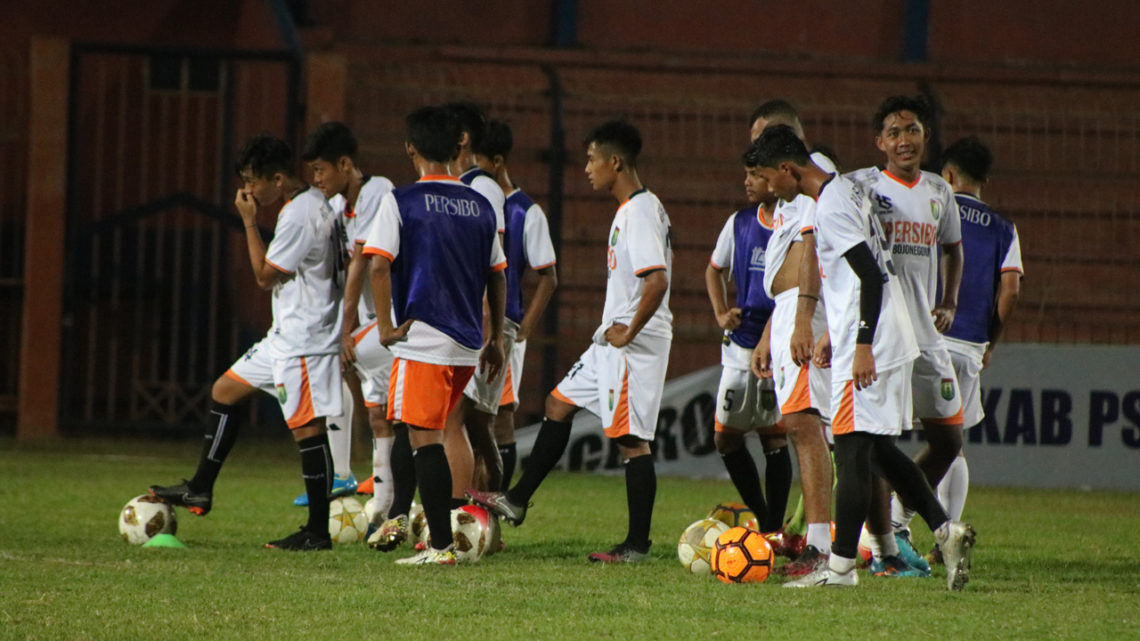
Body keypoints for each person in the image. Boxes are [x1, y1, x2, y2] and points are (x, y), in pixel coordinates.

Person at [752, 125, 976, 590]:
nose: (775, 191)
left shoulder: (830, 208)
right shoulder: (845, 191)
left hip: (872, 337)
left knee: (853, 452)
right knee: (877, 451)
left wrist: (859, 342)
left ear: (788, 170)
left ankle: (838, 569)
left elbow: (870, 277)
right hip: (882, 332)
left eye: (774, 181)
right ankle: (944, 529)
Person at [468, 120, 672, 563]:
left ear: (613, 162)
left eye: (591, 159)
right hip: (612, 339)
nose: (586, 168)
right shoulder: (636, 208)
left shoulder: (638, 213)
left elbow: (657, 281)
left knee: (631, 441)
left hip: (631, 343)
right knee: (558, 404)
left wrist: (630, 331)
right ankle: (517, 499)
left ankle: (636, 546)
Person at [150, 133, 346, 551]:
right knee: (224, 391)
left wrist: (248, 221)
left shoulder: (299, 214)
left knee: (308, 431)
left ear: (278, 178)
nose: (248, 190)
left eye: (254, 181)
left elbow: (263, 276)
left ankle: (317, 531)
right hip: (284, 336)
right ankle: (200, 487)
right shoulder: (308, 205)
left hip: (305, 340)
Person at [361, 105, 507, 565]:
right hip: (467, 343)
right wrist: (496, 338)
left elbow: (378, 263)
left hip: (425, 337)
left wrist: (384, 325)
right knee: (430, 432)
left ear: (410, 148)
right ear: (457, 147)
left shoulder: (401, 200)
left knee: (423, 438)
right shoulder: (480, 204)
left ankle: (440, 546)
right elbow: (498, 274)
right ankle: (413, 523)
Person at [847, 95, 965, 576]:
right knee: (877, 443)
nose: (903, 140)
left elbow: (954, 250)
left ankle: (898, 520)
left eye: (911, 130)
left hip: (927, 335)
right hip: (883, 337)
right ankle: (882, 550)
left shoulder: (940, 191)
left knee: (949, 439)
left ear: (925, 137)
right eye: (893, 133)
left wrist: (950, 301)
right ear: (879, 142)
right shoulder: (861, 189)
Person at [925, 135, 1022, 563]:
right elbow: (1011, 288)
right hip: (967, 345)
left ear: (948, 175)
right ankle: (947, 533)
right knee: (952, 443)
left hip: (924, 338)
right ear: (985, 179)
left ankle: (885, 534)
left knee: (881, 435)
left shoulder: (933, 212)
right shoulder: (1004, 228)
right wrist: (989, 341)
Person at [748, 99, 835, 573]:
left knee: (807, 425)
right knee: (801, 425)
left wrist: (802, 319)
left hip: (805, 314)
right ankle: (817, 538)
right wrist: (769, 331)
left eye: (764, 139)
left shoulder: (812, 178)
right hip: (785, 315)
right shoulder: (783, 196)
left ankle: (823, 546)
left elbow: (812, 248)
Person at [301, 121, 398, 527]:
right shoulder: (342, 207)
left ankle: (356, 481)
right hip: (370, 322)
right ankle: (382, 502)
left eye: (322, 170)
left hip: (393, 320)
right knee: (380, 414)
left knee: (408, 413)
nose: (317, 180)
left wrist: (344, 330)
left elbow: (363, 260)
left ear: (345, 164)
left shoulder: (378, 192)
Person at [705, 141, 791, 540]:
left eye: (755, 175)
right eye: (746, 175)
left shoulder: (794, 224)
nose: (748, 182)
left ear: (774, 178)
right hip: (739, 345)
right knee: (725, 437)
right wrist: (722, 311)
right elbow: (713, 269)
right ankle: (760, 517)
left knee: (775, 435)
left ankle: (772, 529)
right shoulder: (739, 222)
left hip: (778, 346)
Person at [475, 119, 559, 492]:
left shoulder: (527, 211)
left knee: (501, 415)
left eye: (478, 162)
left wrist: (524, 327)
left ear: (496, 160)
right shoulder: (473, 200)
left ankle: (491, 506)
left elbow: (548, 276)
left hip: (504, 324)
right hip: (471, 322)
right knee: (471, 416)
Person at [442, 101, 509, 505]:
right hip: (468, 320)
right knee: (472, 423)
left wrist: (492, 331)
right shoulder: (464, 185)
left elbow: (491, 263)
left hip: (480, 323)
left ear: (462, 138)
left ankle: (466, 516)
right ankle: (475, 519)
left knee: (467, 422)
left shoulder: (481, 186)